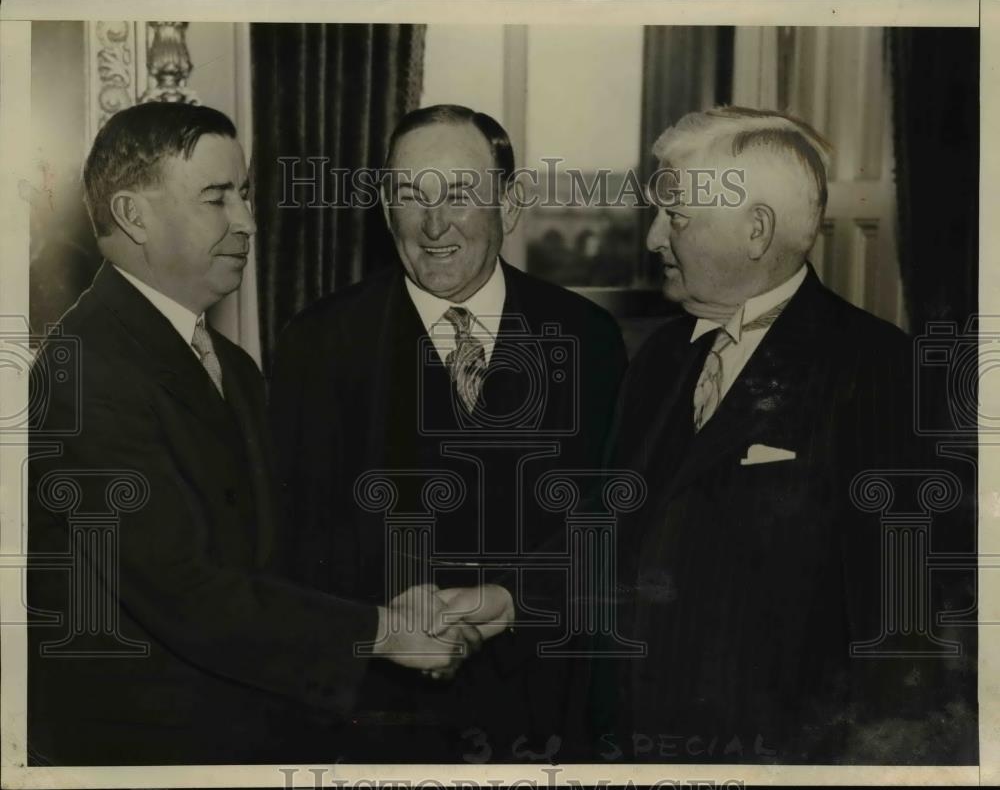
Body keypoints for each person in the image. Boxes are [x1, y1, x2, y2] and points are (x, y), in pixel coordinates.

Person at [27, 101, 486, 766]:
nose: (246, 222)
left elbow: (272, 556)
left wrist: (389, 607)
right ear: (133, 216)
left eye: (244, 195)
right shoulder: (79, 372)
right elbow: (185, 589)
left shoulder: (231, 367)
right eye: (218, 198)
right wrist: (382, 631)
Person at [269, 104, 628, 761]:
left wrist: (510, 605)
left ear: (511, 203)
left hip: (543, 709)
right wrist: (396, 625)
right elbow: (296, 539)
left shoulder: (589, 339)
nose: (435, 224)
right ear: (385, 208)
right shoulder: (316, 343)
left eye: (460, 192)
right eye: (411, 194)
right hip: (373, 715)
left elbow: (606, 527)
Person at [599, 106, 940, 762]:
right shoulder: (660, 358)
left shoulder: (880, 373)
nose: (651, 241)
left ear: (755, 231)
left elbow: (904, 639)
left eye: (674, 218)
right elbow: (612, 537)